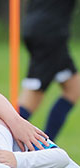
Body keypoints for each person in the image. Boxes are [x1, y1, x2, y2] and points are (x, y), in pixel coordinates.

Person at [18, 0, 80, 141]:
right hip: (49, 33)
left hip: (42, 29)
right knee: (33, 95)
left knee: (73, 88)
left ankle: (47, 144)